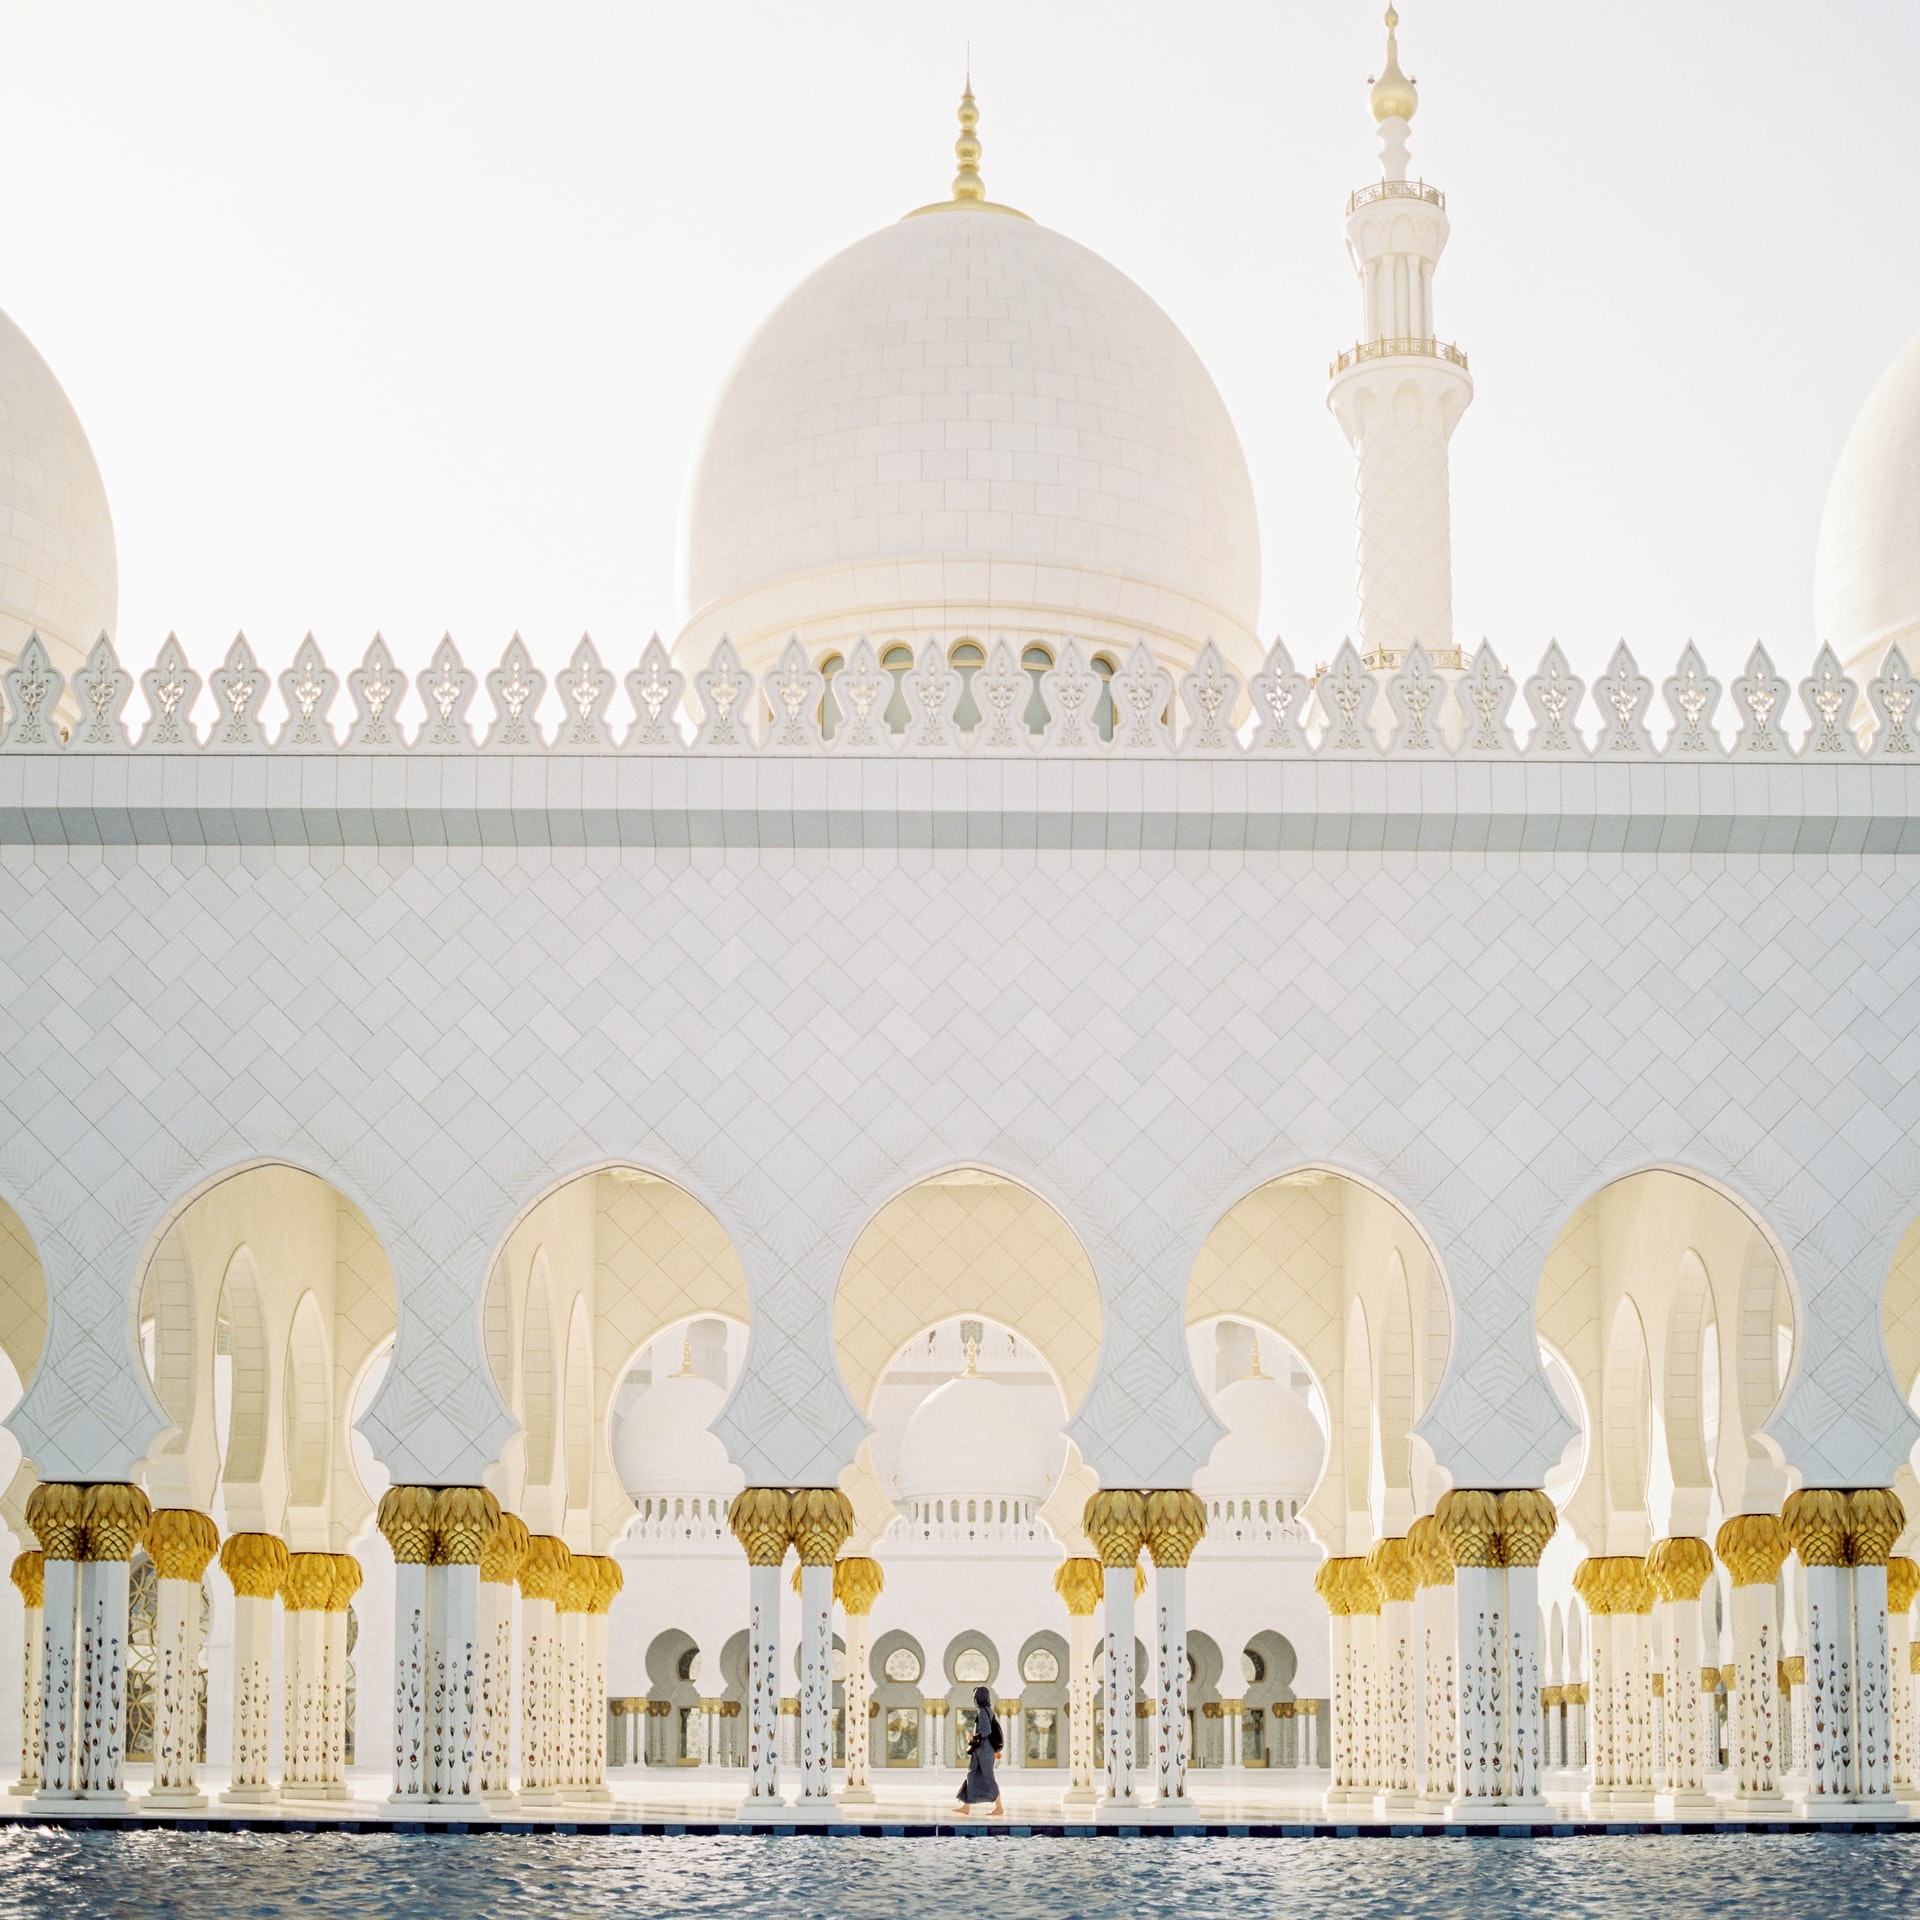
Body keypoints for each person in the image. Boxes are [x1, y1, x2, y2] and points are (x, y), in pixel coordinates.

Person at [951, 1684, 1004, 1817]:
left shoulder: (982, 1711)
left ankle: (999, 1807)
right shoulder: (988, 1710)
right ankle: (966, 1806)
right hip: (981, 1750)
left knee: (988, 1777)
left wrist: (972, 1737)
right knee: (972, 1775)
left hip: (984, 1750)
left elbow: (986, 1731)